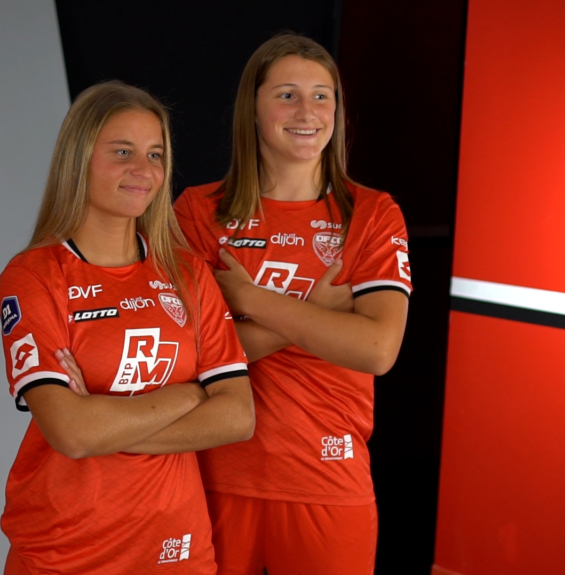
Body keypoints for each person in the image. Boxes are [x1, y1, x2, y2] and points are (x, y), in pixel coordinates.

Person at [173, 34, 412, 575]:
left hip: (327, 479)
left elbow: (376, 348)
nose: (307, 111)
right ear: (252, 110)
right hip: (214, 475)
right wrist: (317, 313)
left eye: (322, 96)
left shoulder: (371, 214)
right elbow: (187, 358)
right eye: (286, 95)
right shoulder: (198, 212)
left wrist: (251, 301)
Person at [0, 81, 255, 575]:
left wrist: (105, 422)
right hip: (67, 548)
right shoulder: (33, 275)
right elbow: (70, 434)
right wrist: (187, 395)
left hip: (175, 545)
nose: (144, 170)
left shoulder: (187, 273)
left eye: (155, 154)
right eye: (122, 152)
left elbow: (237, 416)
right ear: (79, 159)